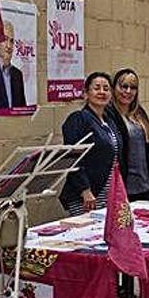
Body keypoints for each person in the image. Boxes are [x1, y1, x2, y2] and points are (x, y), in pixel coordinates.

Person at [59, 72, 125, 216]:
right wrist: (85, 190)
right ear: (86, 93)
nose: (102, 92)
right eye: (97, 88)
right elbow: (73, 159)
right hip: (87, 195)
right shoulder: (78, 119)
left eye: (106, 88)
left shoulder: (110, 121)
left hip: (108, 192)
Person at [108, 68, 149, 202]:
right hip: (123, 188)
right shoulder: (109, 115)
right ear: (114, 88)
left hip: (144, 186)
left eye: (133, 87)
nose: (128, 91)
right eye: (124, 86)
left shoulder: (139, 113)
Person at [0, 21, 26, 109]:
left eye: (11, 41)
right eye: (5, 39)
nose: (9, 46)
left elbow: (22, 108)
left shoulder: (17, 74)